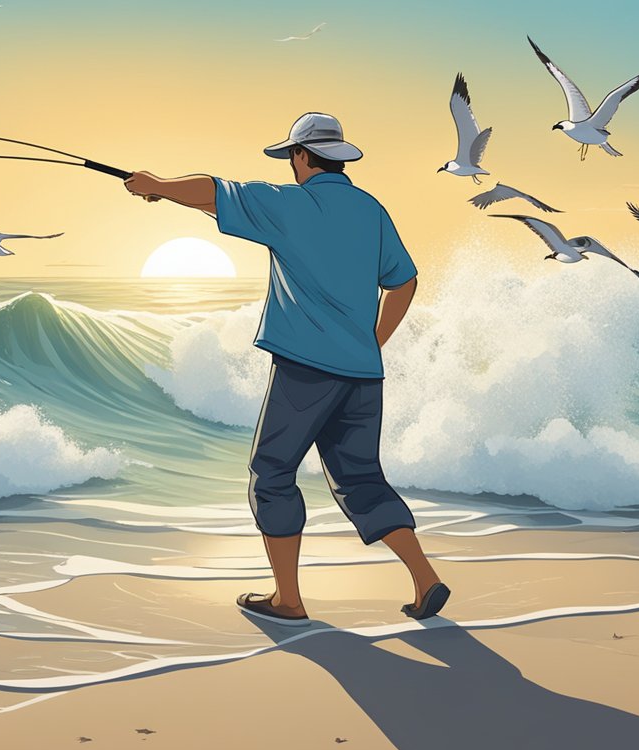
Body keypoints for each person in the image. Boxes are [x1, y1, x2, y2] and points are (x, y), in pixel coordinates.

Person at [123, 113, 449, 626]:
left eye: (291, 157)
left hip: (307, 371)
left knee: (271, 475)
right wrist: (372, 341)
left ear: (301, 156)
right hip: (363, 374)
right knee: (362, 478)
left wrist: (157, 186)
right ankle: (425, 579)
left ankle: (289, 601)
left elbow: (213, 191)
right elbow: (404, 282)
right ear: (337, 157)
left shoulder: (290, 203)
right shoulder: (370, 209)